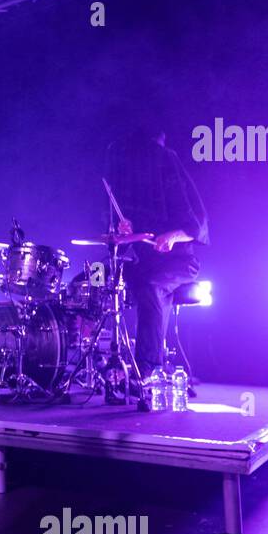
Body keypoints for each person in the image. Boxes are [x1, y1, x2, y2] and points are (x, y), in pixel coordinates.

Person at [105, 126, 209, 380]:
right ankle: (96, 363)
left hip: (180, 262)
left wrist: (172, 236)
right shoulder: (131, 183)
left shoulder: (169, 167)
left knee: (152, 288)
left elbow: (199, 225)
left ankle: (147, 370)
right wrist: (125, 228)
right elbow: (129, 233)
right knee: (97, 282)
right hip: (143, 262)